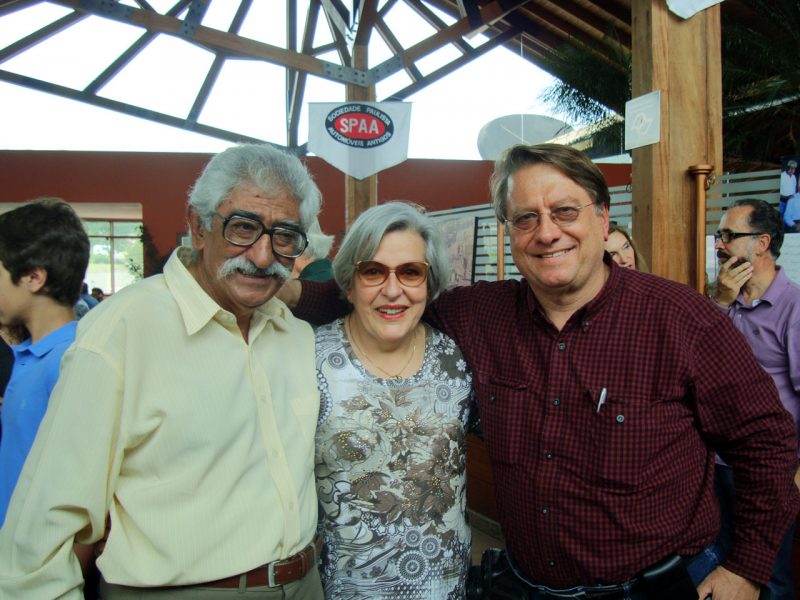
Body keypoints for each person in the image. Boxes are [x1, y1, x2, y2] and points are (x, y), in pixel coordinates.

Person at [284, 143, 800, 600]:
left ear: (603, 219)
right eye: (526, 218)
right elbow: (377, 295)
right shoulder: (479, 315)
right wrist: (271, 291)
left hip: (658, 587)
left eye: (565, 211)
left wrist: (747, 567)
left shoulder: (682, 319)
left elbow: (768, 443)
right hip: (527, 586)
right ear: (509, 232)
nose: (547, 232)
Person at [0, 144, 325, 599]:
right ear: (198, 226)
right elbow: (47, 522)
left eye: (285, 235)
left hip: (304, 585)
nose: (262, 255)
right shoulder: (123, 330)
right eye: (243, 227)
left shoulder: (294, 334)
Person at [313, 202, 473, 598]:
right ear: (349, 283)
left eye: (410, 272)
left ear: (429, 283)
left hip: (445, 587)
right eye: (373, 271)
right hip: (343, 590)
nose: (392, 289)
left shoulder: (455, 359)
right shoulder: (310, 360)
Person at [710, 198, 800, 600]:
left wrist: (794, 479)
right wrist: (720, 301)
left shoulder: (794, 307)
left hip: (768, 471)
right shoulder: (722, 300)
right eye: (719, 235)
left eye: (729, 235)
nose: (719, 244)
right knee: (717, 566)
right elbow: (697, 362)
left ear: (762, 243)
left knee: (769, 576)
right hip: (716, 465)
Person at [0, 199, 90, 527]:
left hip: (36, 549)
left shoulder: (69, 360)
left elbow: (78, 481)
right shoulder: (28, 355)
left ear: (33, 278)